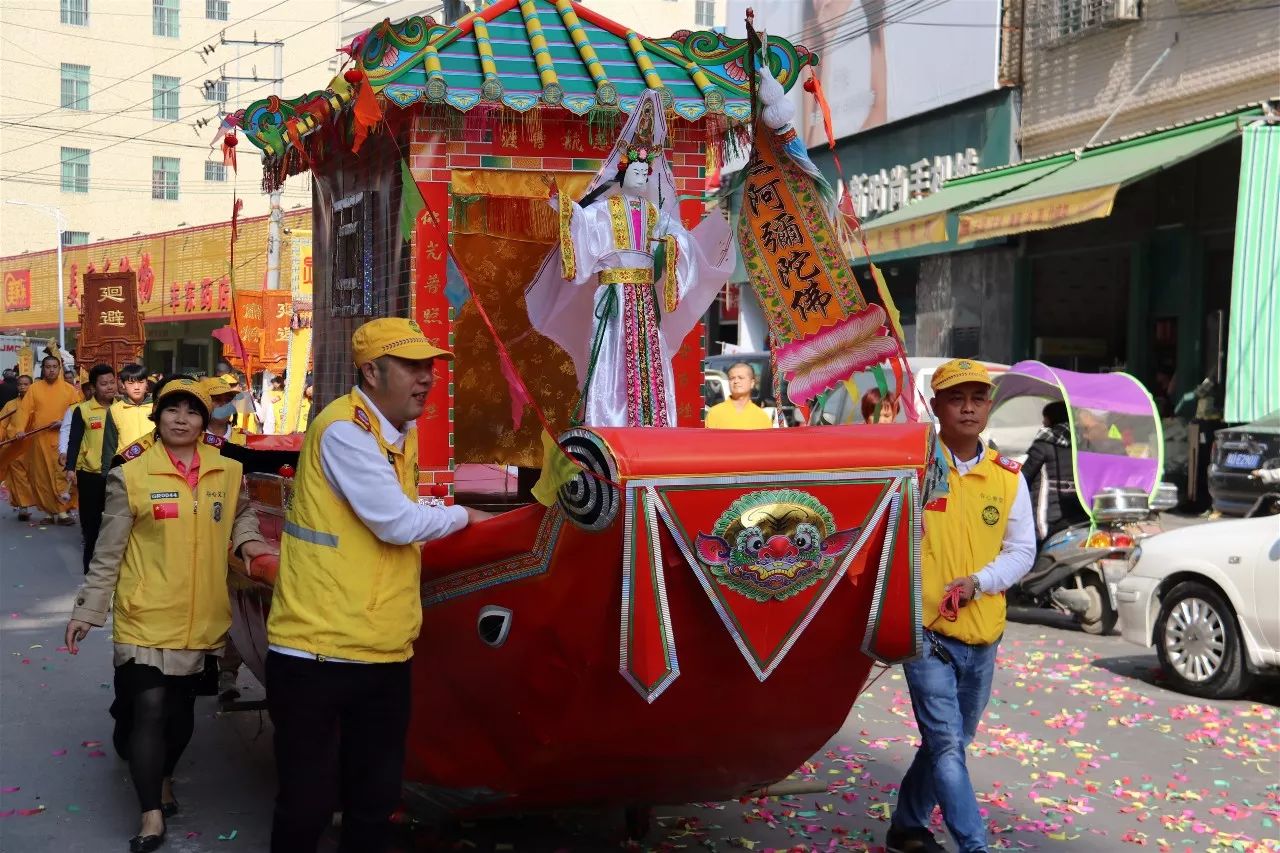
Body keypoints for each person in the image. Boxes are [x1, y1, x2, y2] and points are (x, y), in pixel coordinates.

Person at [266, 318, 491, 853]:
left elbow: (403, 513)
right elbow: (396, 522)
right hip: (314, 651)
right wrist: (463, 516)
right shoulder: (345, 430)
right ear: (371, 371)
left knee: (374, 801)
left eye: (429, 366)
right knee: (308, 803)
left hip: (383, 649)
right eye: (412, 366)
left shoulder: (398, 434)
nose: (426, 378)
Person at [64, 377, 275, 853]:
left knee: (180, 718)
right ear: (157, 418)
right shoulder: (130, 474)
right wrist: (89, 609)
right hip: (145, 613)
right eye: (172, 410)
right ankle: (150, 814)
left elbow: (241, 515)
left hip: (201, 617)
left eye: (192, 411)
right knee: (150, 710)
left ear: (205, 421)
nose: (182, 418)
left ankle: (163, 776)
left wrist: (249, 543)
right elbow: (108, 550)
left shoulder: (228, 469)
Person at [887, 359, 1035, 853]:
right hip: (926, 636)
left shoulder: (1009, 477)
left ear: (989, 407)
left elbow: (1022, 551)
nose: (968, 407)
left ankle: (907, 826)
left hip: (984, 636)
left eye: (977, 398)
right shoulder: (913, 469)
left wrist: (980, 581)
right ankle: (974, 846)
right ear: (936, 406)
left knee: (949, 742)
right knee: (948, 745)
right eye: (956, 398)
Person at [526, 92, 734, 428]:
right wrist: (564, 206)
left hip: (644, 298)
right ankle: (608, 422)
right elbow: (583, 223)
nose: (641, 177)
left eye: (645, 173)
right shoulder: (604, 210)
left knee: (649, 355)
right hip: (614, 296)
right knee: (610, 353)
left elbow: (679, 237)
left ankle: (650, 424)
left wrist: (671, 243)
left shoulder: (655, 213)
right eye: (636, 171)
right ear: (622, 174)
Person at [14, 354, 81, 524]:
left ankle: (62, 511)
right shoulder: (34, 389)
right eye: (48, 367)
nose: (51, 370)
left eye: (54, 367)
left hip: (62, 440)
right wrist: (20, 429)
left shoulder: (69, 390)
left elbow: (78, 413)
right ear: (42, 369)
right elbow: (24, 411)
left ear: (59, 369)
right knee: (42, 476)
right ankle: (49, 512)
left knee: (61, 473)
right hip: (40, 440)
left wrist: (62, 422)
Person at [64, 364, 118, 574]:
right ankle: (91, 573)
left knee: (116, 526)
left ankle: (115, 571)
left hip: (119, 475)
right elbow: (74, 440)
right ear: (93, 387)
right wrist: (70, 467)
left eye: (112, 382)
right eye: (103, 384)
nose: (109, 387)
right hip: (91, 476)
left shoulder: (123, 408)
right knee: (91, 527)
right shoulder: (83, 410)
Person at [1021, 401, 1088, 543]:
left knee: (1041, 546)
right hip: (1076, 509)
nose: (1043, 421)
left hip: (1047, 512)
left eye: (1045, 417)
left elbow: (1024, 476)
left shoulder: (1044, 443)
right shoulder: (1081, 443)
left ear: (1051, 418)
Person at [1, 375, 35, 520]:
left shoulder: (36, 403)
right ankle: (23, 506)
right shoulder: (10, 405)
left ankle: (48, 506)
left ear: (31, 386)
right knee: (18, 477)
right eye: (20, 384)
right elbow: (2, 424)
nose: (22, 387)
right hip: (13, 446)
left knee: (32, 476)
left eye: (26, 384)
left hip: (32, 446)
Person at [705, 362, 772, 429]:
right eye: (732, 378)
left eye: (741, 378)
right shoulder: (715, 413)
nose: (736, 381)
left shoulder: (762, 417)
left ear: (752, 383)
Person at [201, 377, 248, 446]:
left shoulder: (245, 438)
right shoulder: (191, 439)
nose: (224, 404)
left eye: (228, 400)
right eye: (217, 399)